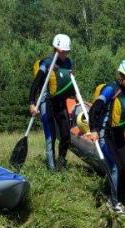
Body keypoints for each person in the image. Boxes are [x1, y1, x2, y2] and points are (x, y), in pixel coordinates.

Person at [86, 60, 125, 215]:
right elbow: (94, 109)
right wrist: (94, 130)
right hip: (105, 134)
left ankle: (118, 199)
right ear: (121, 76)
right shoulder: (111, 89)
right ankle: (114, 203)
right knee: (115, 167)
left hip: (118, 134)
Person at [28, 34, 75, 170]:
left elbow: (68, 84)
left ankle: (61, 162)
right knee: (51, 136)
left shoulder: (68, 63)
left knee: (66, 135)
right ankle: (51, 168)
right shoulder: (46, 63)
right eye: (63, 51)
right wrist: (32, 103)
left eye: (67, 51)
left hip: (60, 103)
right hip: (47, 101)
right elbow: (35, 84)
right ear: (56, 49)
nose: (65, 54)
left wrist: (74, 96)